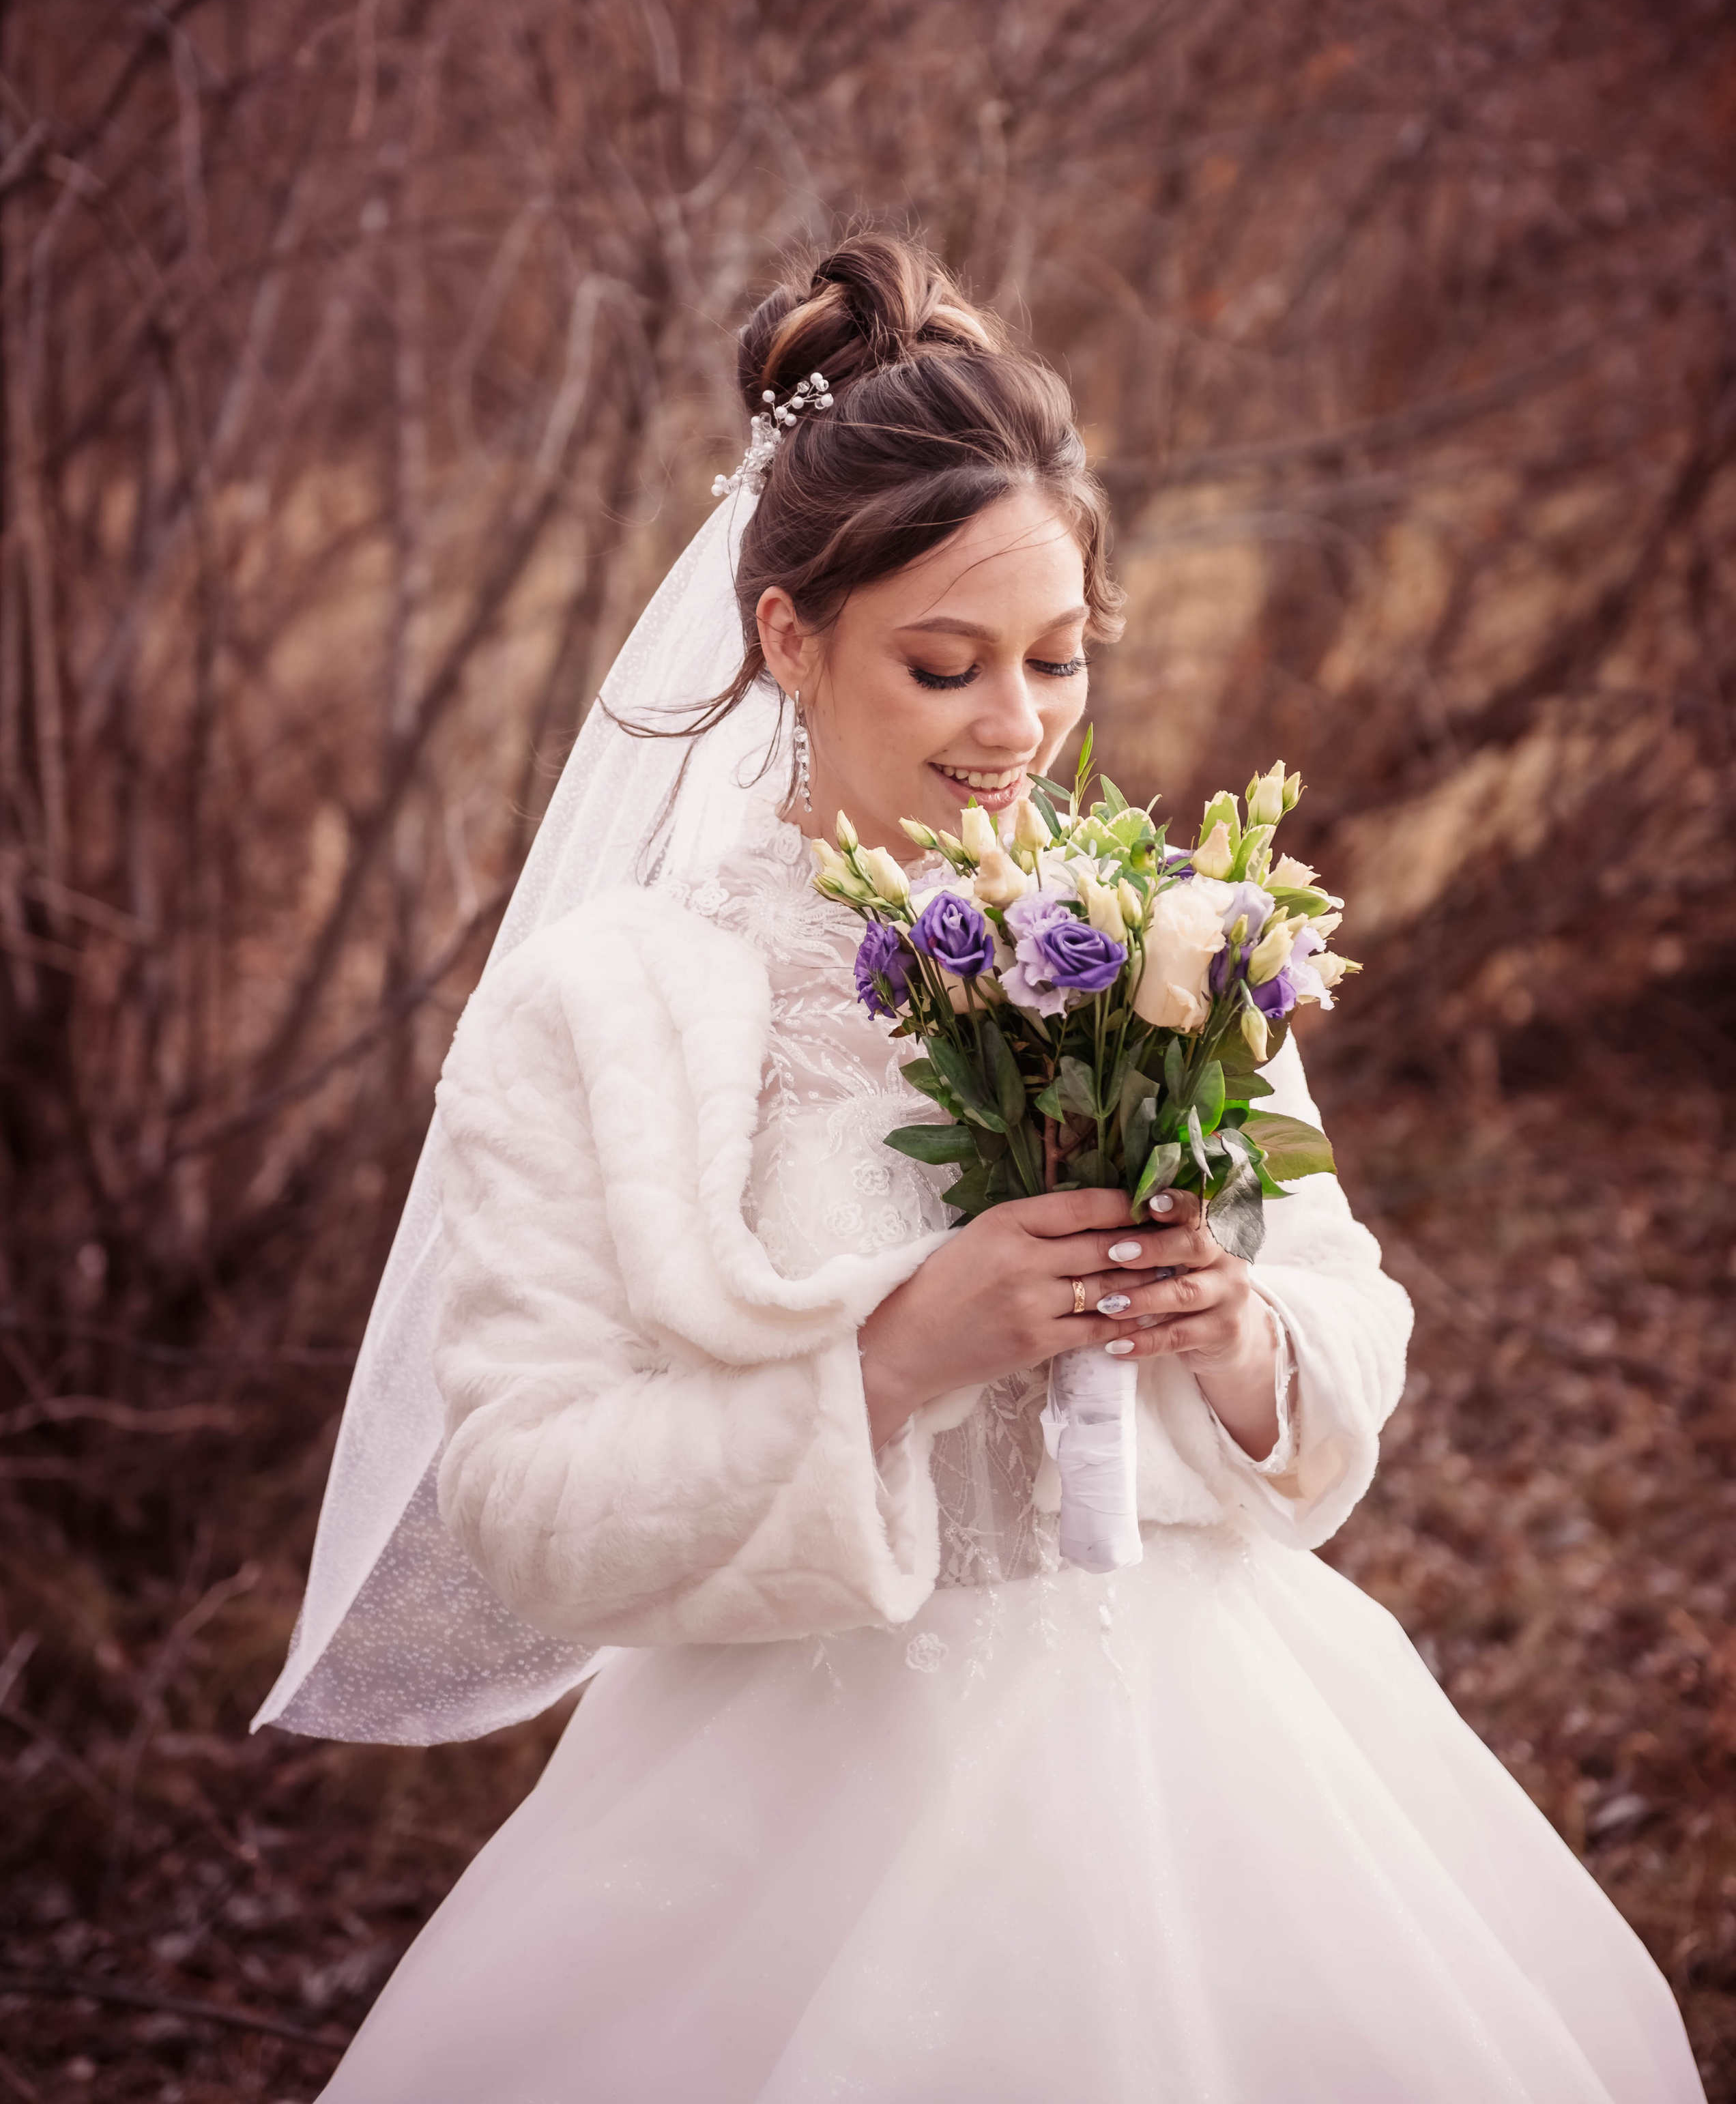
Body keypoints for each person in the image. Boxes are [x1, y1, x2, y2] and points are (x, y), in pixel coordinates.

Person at [264, 237, 1704, 2102]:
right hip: (782, 1806)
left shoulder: (1169, 935)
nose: (1017, 727)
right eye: (944, 665)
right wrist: (886, 1363)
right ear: (790, 637)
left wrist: (1235, 1331)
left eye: (1056, 658)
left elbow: (1348, 1313)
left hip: (1226, 1761)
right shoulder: (607, 1011)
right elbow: (524, 1500)